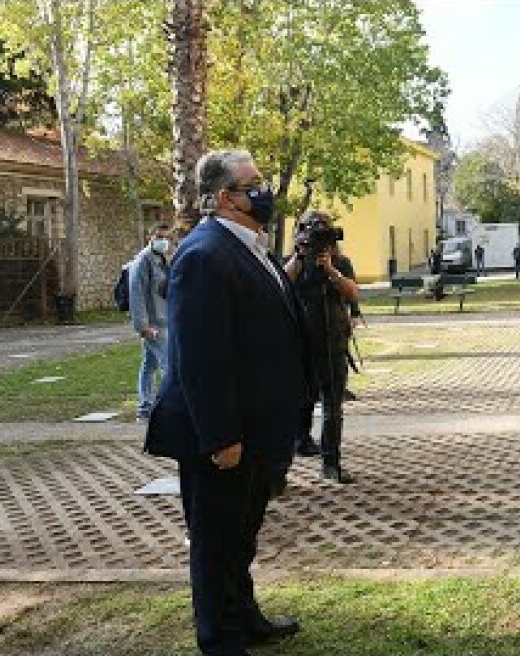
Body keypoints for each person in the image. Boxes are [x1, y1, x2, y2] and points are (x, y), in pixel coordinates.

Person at [144, 149, 308, 656]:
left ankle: (246, 619)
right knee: (215, 545)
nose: (264, 192)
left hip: (257, 430)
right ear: (223, 198)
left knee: (241, 538)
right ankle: (220, 640)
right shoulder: (203, 255)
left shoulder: (250, 247)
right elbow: (199, 359)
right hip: (222, 437)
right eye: (252, 183)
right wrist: (222, 436)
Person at [285, 212, 361, 484]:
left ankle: (331, 462)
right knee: (294, 402)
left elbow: (353, 293)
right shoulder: (293, 262)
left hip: (333, 342)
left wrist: (331, 270)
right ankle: (293, 451)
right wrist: (299, 255)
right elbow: (280, 285)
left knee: (333, 406)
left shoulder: (341, 262)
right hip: (298, 344)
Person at [128, 223, 173, 421]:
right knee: (168, 365)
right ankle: (168, 408)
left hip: (165, 320)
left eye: (167, 237)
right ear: (151, 237)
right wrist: (142, 325)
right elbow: (136, 294)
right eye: (160, 237)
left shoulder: (163, 259)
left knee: (149, 364)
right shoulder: (142, 261)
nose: (164, 241)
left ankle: (145, 408)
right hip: (153, 324)